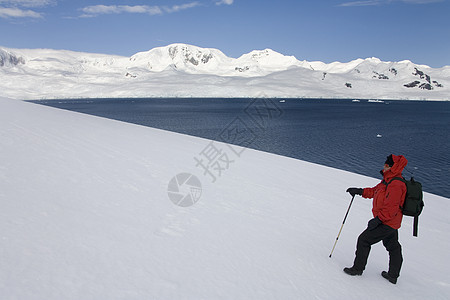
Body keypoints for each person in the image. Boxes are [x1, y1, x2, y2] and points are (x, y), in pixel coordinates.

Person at [344, 154, 408, 284]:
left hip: (387, 222)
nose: (383, 167)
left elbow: (391, 208)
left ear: (392, 167)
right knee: (393, 247)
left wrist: (378, 220)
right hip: (390, 222)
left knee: (364, 240)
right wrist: (359, 191)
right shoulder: (387, 181)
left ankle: (358, 269)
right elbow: (374, 191)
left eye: (386, 165)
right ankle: (393, 275)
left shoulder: (396, 184)